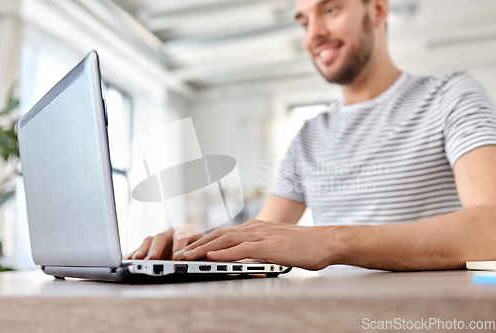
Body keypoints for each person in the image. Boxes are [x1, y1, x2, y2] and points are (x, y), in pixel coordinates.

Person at [128, 0, 496, 271]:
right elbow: (261, 239)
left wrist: (332, 241)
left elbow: (490, 226)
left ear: (379, 11)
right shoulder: (309, 136)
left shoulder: (451, 95)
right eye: (303, 21)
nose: (314, 33)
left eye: (331, 10)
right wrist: (199, 241)